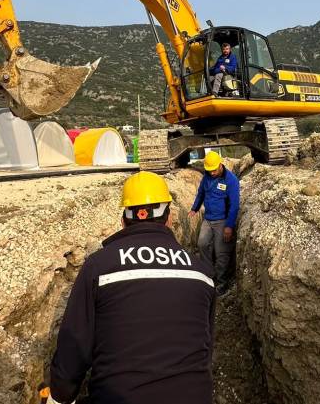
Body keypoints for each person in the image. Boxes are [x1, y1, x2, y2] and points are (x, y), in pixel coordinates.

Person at [46, 172, 216, 404]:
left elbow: (74, 346)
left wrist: (60, 395)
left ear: (124, 220)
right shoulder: (202, 272)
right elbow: (205, 344)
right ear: (169, 218)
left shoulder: (99, 266)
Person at [187, 150, 239, 294]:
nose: (212, 173)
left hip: (223, 220)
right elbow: (201, 194)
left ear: (220, 165)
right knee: (202, 244)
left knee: (221, 252)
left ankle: (221, 282)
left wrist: (229, 226)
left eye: (214, 170)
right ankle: (208, 275)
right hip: (208, 219)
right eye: (209, 171)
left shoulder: (231, 180)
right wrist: (194, 209)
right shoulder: (207, 177)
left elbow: (234, 205)